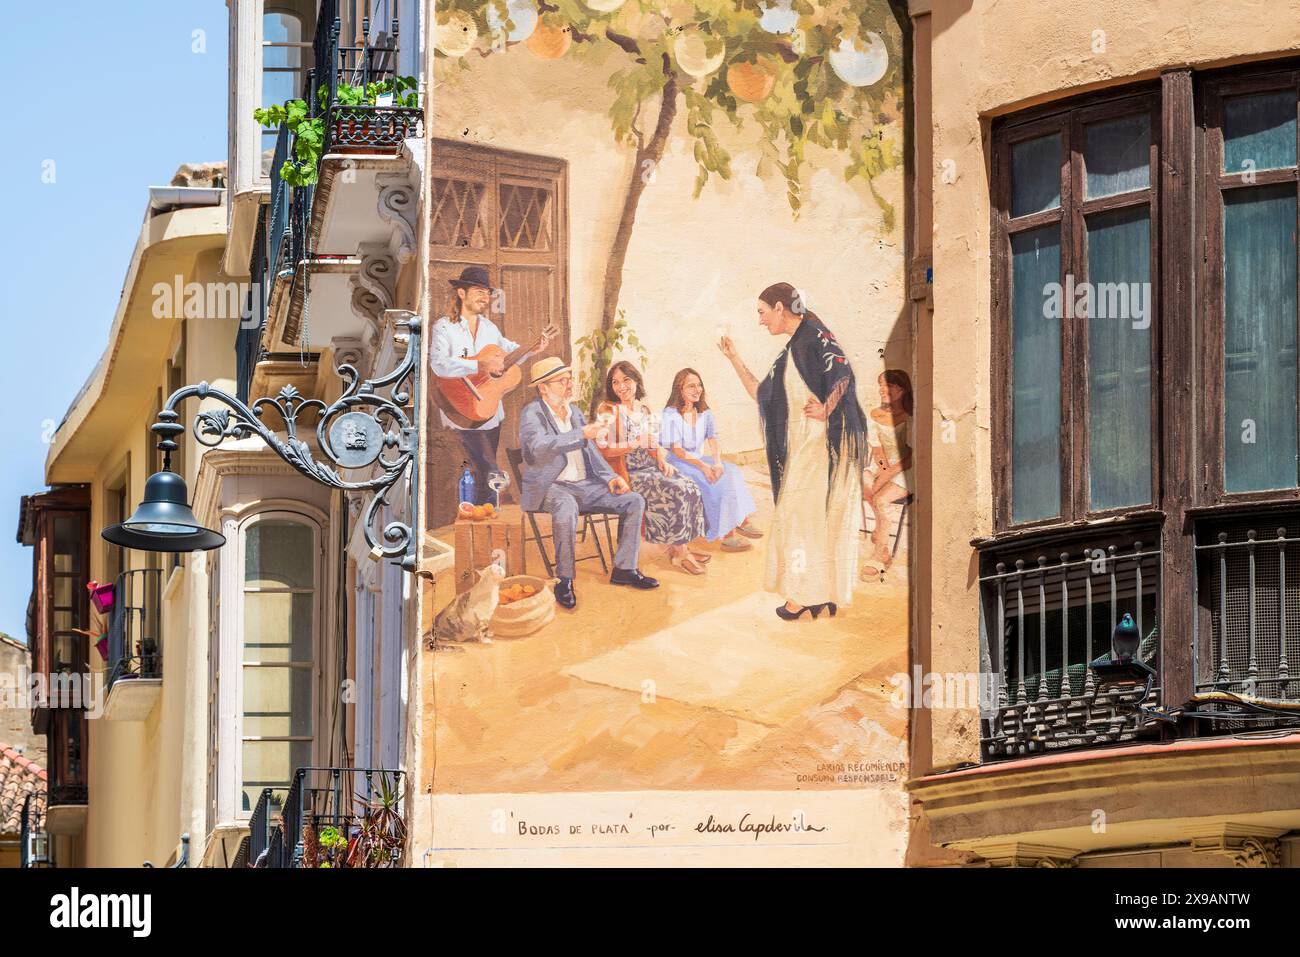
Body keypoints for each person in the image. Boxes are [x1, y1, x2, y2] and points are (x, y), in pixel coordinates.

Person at [719, 282, 866, 620]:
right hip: (809, 447)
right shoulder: (791, 351)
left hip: (826, 446)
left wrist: (828, 407)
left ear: (780, 307)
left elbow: (843, 373)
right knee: (808, 519)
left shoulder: (815, 335)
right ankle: (819, 594)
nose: (760, 320)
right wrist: (733, 358)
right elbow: (761, 394)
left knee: (802, 518)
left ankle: (803, 597)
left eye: (761, 312)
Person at [519, 356, 660, 609]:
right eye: (562, 381)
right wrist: (580, 434)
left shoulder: (574, 411)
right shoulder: (532, 413)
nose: (570, 384)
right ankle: (564, 580)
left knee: (634, 500)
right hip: (550, 486)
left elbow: (592, 452)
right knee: (566, 506)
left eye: (570, 379)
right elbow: (538, 449)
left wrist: (611, 477)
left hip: (584, 484)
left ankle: (624, 568)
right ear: (543, 387)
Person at [429, 266, 553, 505]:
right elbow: (439, 365)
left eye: (487, 293)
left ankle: (484, 516)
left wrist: (531, 350)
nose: (485, 297)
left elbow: (507, 356)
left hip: (489, 412)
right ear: (461, 293)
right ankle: (487, 514)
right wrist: (478, 366)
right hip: (460, 408)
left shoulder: (489, 328)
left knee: (483, 471)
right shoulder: (444, 327)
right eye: (478, 291)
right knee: (488, 467)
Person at [596, 361, 710, 575]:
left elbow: (654, 442)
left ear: (637, 381)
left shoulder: (645, 409)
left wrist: (661, 460)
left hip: (650, 467)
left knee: (690, 486)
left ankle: (682, 545)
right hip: (628, 473)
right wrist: (634, 443)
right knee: (675, 489)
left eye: (626, 380)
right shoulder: (607, 410)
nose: (621, 386)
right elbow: (603, 449)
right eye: (615, 382)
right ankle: (679, 554)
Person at [660, 368, 761, 553]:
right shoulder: (670, 413)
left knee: (732, 471)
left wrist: (717, 462)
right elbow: (677, 450)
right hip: (679, 463)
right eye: (691, 386)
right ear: (679, 389)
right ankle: (727, 535)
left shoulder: (704, 412)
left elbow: (713, 439)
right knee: (716, 481)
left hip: (699, 460)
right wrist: (704, 467)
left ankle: (741, 519)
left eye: (699, 385)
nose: (697, 389)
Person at [862, 370, 913, 580]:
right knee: (861, 480)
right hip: (884, 465)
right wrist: (881, 471)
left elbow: (911, 455)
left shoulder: (911, 416)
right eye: (881, 386)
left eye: (889, 386)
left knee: (881, 499)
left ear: (902, 390)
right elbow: (877, 449)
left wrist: (886, 476)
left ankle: (881, 554)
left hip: (906, 469)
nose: (883, 390)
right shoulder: (875, 414)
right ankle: (880, 528)